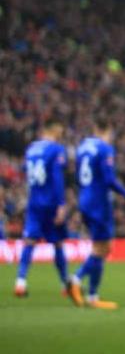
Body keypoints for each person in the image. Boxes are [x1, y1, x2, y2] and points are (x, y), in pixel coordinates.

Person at [73, 118, 125, 309]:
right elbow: (109, 179)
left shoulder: (82, 147)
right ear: (107, 130)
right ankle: (75, 280)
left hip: (84, 199)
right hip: (99, 202)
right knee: (105, 247)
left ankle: (93, 296)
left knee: (99, 247)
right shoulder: (104, 148)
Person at [14, 123, 72, 301]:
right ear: (53, 130)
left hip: (34, 200)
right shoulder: (56, 149)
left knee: (29, 241)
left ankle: (20, 281)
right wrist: (61, 204)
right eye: (60, 131)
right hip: (50, 203)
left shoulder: (31, 148)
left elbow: (25, 170)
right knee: (58, 243)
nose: (62, 134)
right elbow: (57, 178)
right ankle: (64, 284)